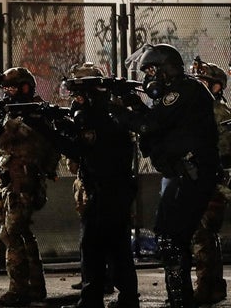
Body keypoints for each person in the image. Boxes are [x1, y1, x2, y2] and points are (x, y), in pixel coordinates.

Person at [111, 43, 219, 307]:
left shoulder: (184, 91)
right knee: (168, 234)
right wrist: (134, 104)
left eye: (151, 70)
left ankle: (181, 300)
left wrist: (119, 112)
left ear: (166, 69)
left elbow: (151, 125)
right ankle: (179, 298)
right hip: (179, 175)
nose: (148, 78)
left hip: (190, 175)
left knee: (172, 237)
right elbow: (157, 124)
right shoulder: (175, 94)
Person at [58, 62, 139, 308]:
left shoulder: (98, 115)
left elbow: (80, 148)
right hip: (116, 188)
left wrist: (51, 129)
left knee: (93, 246)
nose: (75, 98)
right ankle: (127, 298)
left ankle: (91, 300)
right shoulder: (111, 110)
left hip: (105, 189)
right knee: (118, 246)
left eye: (78, 92)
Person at [0, 67, 60, 307]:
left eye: (12, 88)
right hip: (13, 180)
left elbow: (4, 138)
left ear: (25, 88)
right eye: (5, 89)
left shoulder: (32, 113)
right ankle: (35, 287)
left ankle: (19, 290)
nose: (7, 93)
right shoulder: (16, 112)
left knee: (10, 233)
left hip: (24, 182)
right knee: (22, 233)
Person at [189, 57, 230, 304]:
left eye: (205, 82)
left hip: (213, 182)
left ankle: (205, 288)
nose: (199, 86)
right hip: (207, 179)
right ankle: (214, 287)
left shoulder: (218, 111)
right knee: (207, 236)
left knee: (202, 235)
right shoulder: (203, 110)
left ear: (216, 87)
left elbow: (225, 151)